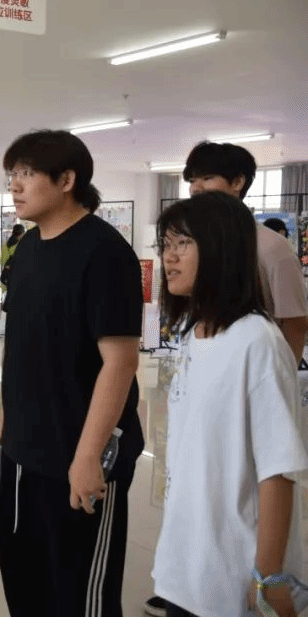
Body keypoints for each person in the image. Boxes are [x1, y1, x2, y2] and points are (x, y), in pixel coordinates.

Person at [144, 140, 308, 617]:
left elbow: (277, 470)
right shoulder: (193, 334)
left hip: (234, 577)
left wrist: (268, 577)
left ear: (219, 251)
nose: (169, 258)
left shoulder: (256, 341)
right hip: (184, 564)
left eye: (183, 244)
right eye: (166, 245)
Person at [0, 129, 143, 617]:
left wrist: (88, 455)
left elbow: (120, 362)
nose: (14, 185)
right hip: (23, 449)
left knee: (79, 593)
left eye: (26, 173)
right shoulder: (28, 248)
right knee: (23, 575)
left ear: (66, 180)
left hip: (79, 453)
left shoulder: (104, 252)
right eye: (12, 174)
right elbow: (17, 342)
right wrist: (4, 417)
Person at [0, 224, 25, 292]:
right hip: (17, 278)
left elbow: (2, 262)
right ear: (22, 233)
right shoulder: (21, 245)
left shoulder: (6, 245)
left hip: (7, 278)